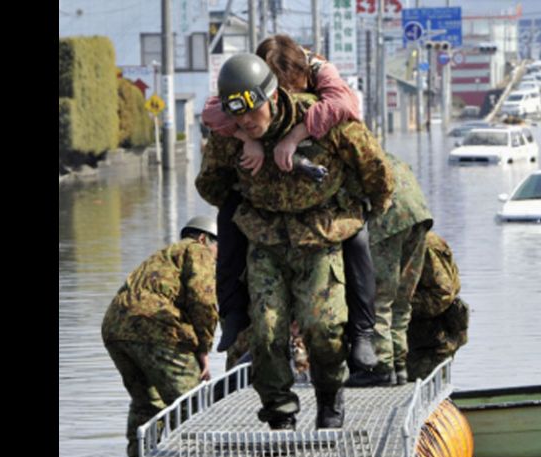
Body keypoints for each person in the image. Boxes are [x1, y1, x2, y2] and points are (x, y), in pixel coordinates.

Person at [196, 53, 394, 430]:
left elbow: (375, 167)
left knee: (322, 326)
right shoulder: (232, 131)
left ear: (272, 97)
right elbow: (210, 183)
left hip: (320, 238)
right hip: (266, 242)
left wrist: (368, 207)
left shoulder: (320, 117)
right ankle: (279, 410)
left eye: (252, 113)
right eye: (238, 117)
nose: (246, 122)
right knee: (266, 332)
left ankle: (330, 398)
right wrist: (243, 156)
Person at [101, 216, 219, 457]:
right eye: (218, 247)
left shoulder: (162, 257)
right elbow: (203, 299)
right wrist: (203, 347)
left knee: (147, 403)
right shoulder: (197, 250)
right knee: (193, 402)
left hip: (115, 328)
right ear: (203, 238)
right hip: (155, 327)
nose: (219, 256)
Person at [346, 155, 433, 387]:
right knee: (402, 300)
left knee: (378, 298)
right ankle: (400, 367)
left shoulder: (342, 156)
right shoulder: (381, 153)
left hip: (388, 219)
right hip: (418, 213)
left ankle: (381, 367)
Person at [406, 231, 469, 381]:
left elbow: (442, 296)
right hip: (412, 340)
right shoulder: (399, 241)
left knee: (423, 393)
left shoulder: (424, 244)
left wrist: (398, 305)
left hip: (430, 342)